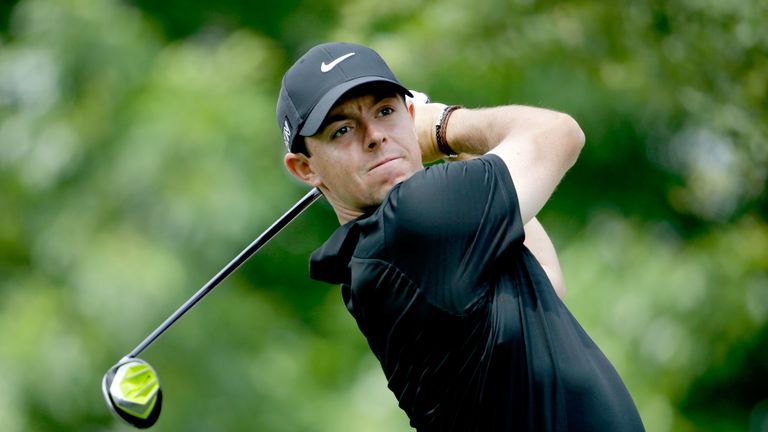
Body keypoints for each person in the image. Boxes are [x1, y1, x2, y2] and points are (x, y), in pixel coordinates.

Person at [276, 42, 645, 431]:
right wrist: (441, 126)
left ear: (407, 114)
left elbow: (547, 279)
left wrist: (451, 150)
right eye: (343, 130)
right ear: (304, 168)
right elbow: (560, 133)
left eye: (386, 111)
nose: (374, 136)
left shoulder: (390, 251)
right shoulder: (414, 218)